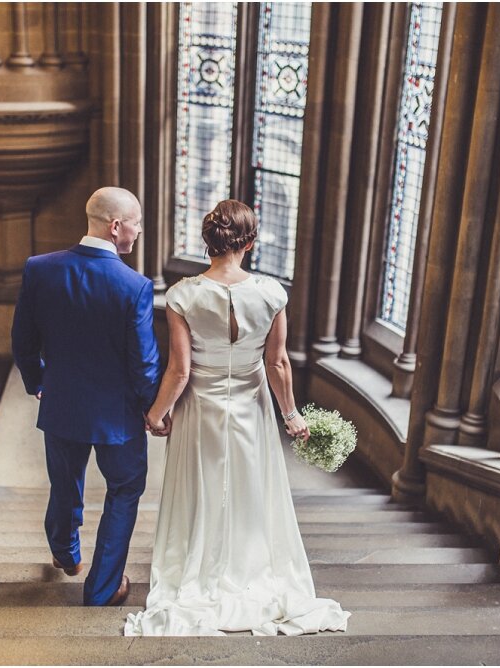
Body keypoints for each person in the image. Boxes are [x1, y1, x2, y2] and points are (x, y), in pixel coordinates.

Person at [125, 200, 351, 636]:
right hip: (252, 406)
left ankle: (203, 564)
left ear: (209, 243)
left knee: (203, 487)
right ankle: (247, 563)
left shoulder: (182, 295)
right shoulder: (271, 294)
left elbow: (180, 370)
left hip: (199, 410)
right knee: (250, 487)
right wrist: (292, 416)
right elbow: (278, 363)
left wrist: (155, 415)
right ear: (249, 242)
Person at [11, 186, 162, 607]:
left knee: (64, 485)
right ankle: (100, 589)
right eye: (136, 223)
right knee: (125, 490)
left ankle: (65, 554)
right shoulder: (134, 286)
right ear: (116, 227)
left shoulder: (39, 269)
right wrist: (154, 412)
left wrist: (38, 383)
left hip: (60, 404)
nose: (138, 231)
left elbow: (22, 340)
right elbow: (145, 363)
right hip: (118, 416)